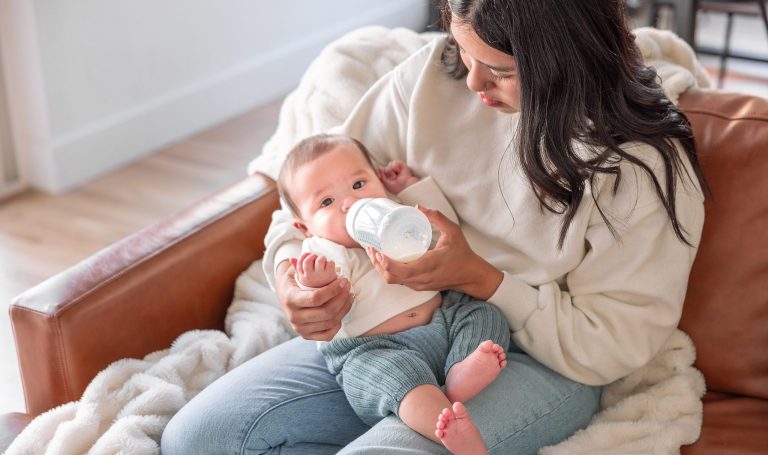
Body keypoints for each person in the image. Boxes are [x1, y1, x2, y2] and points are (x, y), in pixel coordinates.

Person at [161, 0, 708, 453]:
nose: (471, 81)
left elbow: (612, 342)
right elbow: (308, 195)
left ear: (564, 60)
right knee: (197, 438)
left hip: (537, 356)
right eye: (463, 52)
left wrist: (477, 278)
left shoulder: (639, 166)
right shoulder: (429, 78)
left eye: (499, 70)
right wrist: (290, 276)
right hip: (384, 329)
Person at [277, 132, 510, 453]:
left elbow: (443, 232)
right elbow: (318, 299)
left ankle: (461, 370)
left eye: (359, 185)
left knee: (485, 314)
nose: (351, 203)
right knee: (398, 377)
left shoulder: (397, 216)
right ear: (305, 228)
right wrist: (316, 279)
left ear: (380, 183)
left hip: (444, 317)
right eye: (327, 202)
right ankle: (445, 426)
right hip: (374, 348)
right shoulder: (324, 250)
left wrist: (410, 188)